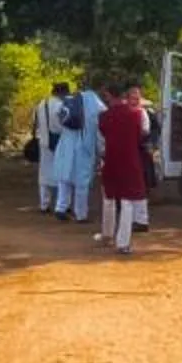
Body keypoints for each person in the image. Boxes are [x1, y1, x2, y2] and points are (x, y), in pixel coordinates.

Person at [96, 80, 151, 254]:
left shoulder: (104, 116)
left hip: (112, 160)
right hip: (130, 160)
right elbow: (142, 134)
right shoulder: (136, 114)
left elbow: (104, 133)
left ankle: (107, 234)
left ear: (109, 96)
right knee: (127, 202)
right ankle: (123, 242)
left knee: (108, 198)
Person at [61, 81, 106, 227]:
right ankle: (81, 214)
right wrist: (102, 150)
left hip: (69, 145)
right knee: (83, 180)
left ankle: (62, 207)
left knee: (67, 176)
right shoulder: (96, 103)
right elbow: (99, 128)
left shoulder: (71, 100)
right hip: (86, 145)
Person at [35, 81, 76, 216]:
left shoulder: (41, 104)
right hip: (59, 142)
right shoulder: (61, 106)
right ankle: (64, 205)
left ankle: (44, 204)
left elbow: (35, 123)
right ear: (63, 93)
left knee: (44, 174)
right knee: (63, 174)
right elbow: (62, 125)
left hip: (44, 142)